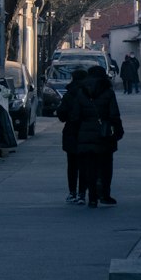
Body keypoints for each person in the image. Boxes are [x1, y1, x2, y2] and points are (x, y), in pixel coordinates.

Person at [65, 65, 124, 207]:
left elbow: (75, 116)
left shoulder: (82, 91)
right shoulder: (108, 92)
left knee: (88, 166)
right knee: (105, 165)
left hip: (85, 133)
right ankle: (104, 193)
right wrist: (118, 131)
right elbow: (114, 114)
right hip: (104, 133)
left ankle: (91, 197)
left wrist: (75, 133)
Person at [56, 68, 90, 203]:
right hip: (87, 133)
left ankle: (72, 192)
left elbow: (62, 114)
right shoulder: (90, 93)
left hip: (71, 132)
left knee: (72, 165)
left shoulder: (69, 94)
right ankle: (82, 193)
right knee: (85, 165)